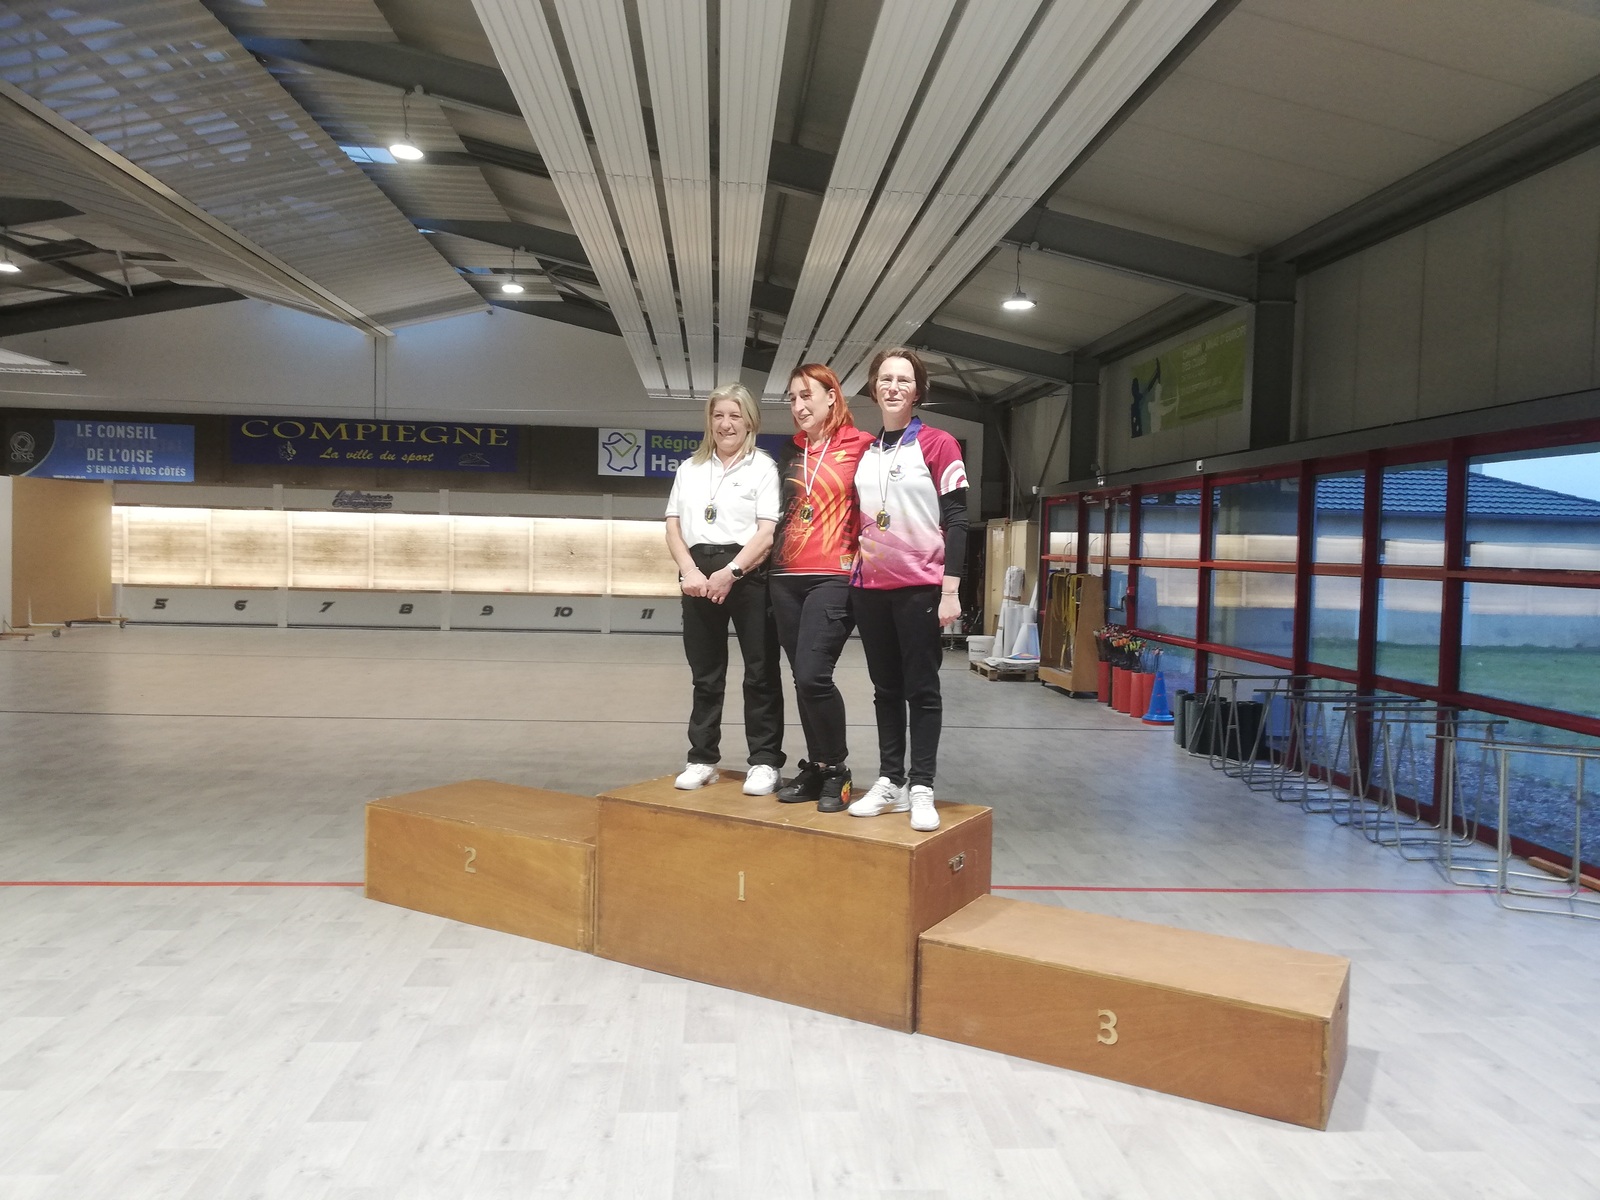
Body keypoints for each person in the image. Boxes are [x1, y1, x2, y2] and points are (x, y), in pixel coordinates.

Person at [846, 348, 968, 831]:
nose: (893, 387)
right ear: (874, 388)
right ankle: (890, 781)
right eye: (885, 379)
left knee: (921, 688)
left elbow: (958, 521)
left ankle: (921, 786)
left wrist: (950, 591)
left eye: (903, 380)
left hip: (920, 587)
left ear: (917, 390)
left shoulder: (938, 444)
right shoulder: (866, 451)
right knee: (885, 689)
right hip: (870, 588)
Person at [664, 383, 785, 794]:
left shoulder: (762, 468)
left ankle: (765, 761)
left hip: (747, 576)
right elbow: (673, 526)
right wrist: (689, 572)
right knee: (706, 675)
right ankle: (702, 759)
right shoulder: (689, 468)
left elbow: (766, 533)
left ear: (749, 421)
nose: (726, 424)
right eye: (718, 415)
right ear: (709, 421)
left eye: (735, 415)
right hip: (697, 577)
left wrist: (731, 572)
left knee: (760, 672)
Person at [769, 364, 876, 812]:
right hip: (784, 577)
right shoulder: (791, 452)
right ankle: (816, 766)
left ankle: (836, 770)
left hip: (835, 575)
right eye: (792, 398)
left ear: (832, 396)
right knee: (801, 678)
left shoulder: (863, 446)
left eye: (807, 395)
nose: (798, 405)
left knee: (814, 675)